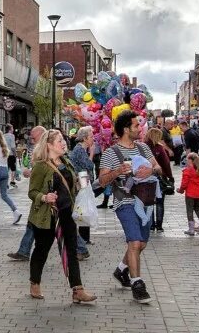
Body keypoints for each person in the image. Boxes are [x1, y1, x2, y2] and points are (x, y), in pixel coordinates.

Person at [97, 110, 161, 305]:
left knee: (141, 244)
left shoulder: (143, 148)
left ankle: (121, 270)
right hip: (124, 201)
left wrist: (151, 169)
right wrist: (117, 171)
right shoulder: (111, 153)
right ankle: (137, 284)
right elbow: (101, 181)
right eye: (136, 126)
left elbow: (158, 168)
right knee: (134, 243)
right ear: (126, 129)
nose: (140, 128)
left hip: (146, 201)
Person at [26, 129, 96, 304]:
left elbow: (72, 185)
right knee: (42, 250)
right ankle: (35, 283)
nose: (64, 143)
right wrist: (44, 197)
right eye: (59, 141)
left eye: (64, 140)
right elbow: (32, 192)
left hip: (67, 214)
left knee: (71, 251)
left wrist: (83, 185)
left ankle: (77, 290)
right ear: (49, 145)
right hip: (47, 216)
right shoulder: (41, 166)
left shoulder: (66, 162)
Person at [7, 125, 46, 261]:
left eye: (34, 138)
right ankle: (24, 250)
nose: (32, 141)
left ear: (41, 135)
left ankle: (80, 247)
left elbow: (44, 168)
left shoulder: (47, 149)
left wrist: (31, 171)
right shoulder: (40, 148)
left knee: (62, 222)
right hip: (40, 193)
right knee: (32, 221)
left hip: (45, 192)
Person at [67, 126, 95, 258]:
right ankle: (82, 244)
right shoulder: (80, 150)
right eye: (91, 137)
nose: (93, 139)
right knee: (81, 209)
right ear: (84, 138)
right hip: (81, 181)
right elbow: (89, 165)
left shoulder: (80, 149)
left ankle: (83, 242)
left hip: (83, 181)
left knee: (83, 208)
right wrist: (92, 154)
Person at [146, 128, 173, 232]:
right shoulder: (160, 148)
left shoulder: (143, 147)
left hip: (147, 178)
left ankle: (151, 225)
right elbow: (166, 164)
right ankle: (159, 225)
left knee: (150, 202)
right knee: (160, 202)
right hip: (160, 177)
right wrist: (170, 177)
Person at [179, 152, 199, 235]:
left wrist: (180, 190)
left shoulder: (187, 171)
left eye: (187, 160)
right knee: (198, 209)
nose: (186, 161)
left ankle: (191, 229)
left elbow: (184, 183)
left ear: (190, 161)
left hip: (190, 194)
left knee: (189, 210)